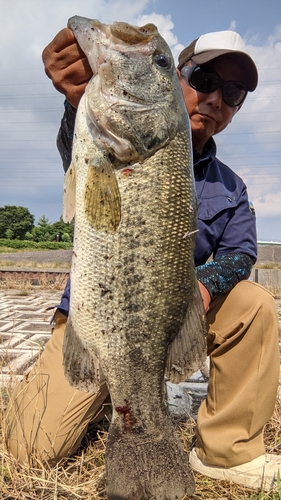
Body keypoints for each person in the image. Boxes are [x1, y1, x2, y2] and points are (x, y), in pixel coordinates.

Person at [4, 27, 281, 492]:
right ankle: (105, 396)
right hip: (96, 321)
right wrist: (76, 102)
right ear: (176, 78)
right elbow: (77, 148)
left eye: (232, 93)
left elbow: (241, 253)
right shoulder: (104, 138)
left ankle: (226, 452)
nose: (216, 99)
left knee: (255, 305)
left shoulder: (232, 187)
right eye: (205, 79)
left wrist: (203, 283)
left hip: (172, 322)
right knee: (26, 447)